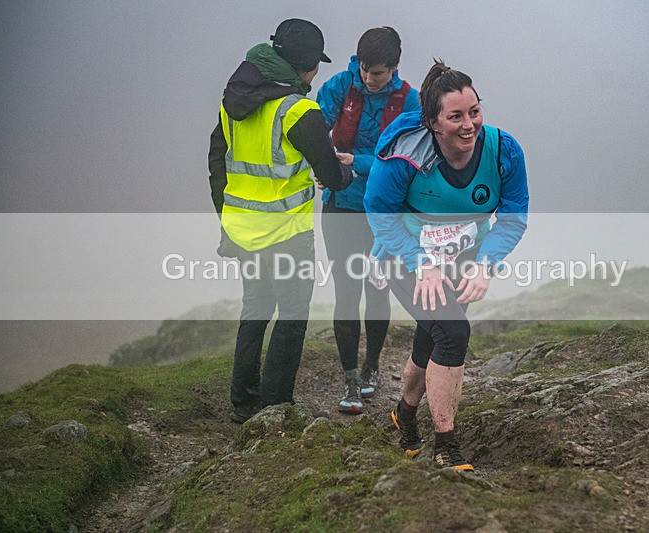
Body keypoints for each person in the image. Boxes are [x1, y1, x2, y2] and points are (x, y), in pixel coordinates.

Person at [364, 60, 529, 471]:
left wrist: (486, 264)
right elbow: (379, 212)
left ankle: (404, 413)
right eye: (455, 116)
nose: (468, 124)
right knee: (453, 332)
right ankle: (446, 445)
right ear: (434, 123)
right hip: (405, 254)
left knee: (434, 335)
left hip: (463, 258)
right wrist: (421, 264)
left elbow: (514, 214)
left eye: (474, 111)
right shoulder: (404, 154)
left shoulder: (504, 150)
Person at [208, 19, 353, 424]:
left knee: (254, 310)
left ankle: (243, 403)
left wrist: (226, 217)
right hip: (287, 233)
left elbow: (217, 162)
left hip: (242, 228)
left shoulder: (232, 101)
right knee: (291, 316)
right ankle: (275, 409)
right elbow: (328, 172)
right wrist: (347, 173)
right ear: (307, 66)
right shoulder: (298, 110)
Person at [315, 27, 420, 414]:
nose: (368, 77)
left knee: (378, 289)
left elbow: (405, 160)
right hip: (339, 205)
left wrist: (353, 163)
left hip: (385, 214)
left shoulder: (411, 102)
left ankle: (373, 366)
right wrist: (324, 163)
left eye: (376, 72)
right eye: (363, 68)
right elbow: (315, 135)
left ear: (394, 67)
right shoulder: (339, 86)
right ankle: (350, 380)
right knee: (346, 290)